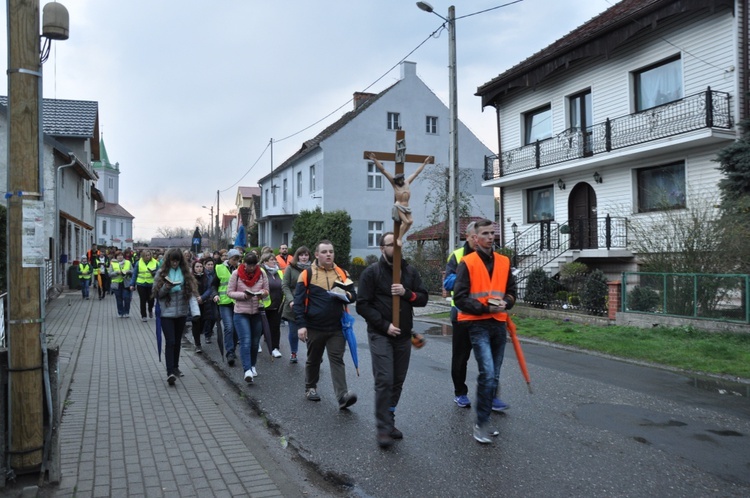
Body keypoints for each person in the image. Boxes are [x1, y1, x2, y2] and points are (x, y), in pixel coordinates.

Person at [356, 232, 429, 448]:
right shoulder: (372, 273)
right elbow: (362, 305)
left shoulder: (409, 271)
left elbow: (423, 298)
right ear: (381, 248)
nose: (396, 249)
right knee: (385, 379)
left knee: (397, 381)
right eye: (391, 245)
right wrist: (385, 325)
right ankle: (382, 428)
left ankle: (390, 420)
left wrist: (406, 293)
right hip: (381, 334)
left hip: (403, 336)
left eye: (398, 246)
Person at [453, 219, 517, 444]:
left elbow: (511, 291)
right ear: (476, 238)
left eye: (493, 233)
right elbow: (459, 298)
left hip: (498, 323)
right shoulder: (467, 263)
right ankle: (481, 424)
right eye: (486, 234)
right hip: (477, 324)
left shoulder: (504, 261)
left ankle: (485, 420)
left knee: (494, 375)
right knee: (487, 373)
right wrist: (483, 307)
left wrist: (506, 303)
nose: (491, 237)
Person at [443, 221, 510, 410]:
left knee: (490, 361)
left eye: (489, 234)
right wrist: (469, 273)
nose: (478, 239)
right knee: (461, 357)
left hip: (488, 315)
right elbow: (448, 283)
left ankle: (492, 395)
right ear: (470, 237)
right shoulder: (457, 256)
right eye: (474, 236)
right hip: (463, 314)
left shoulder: (493, 258)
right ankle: (460, 393)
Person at [294, 240, 358, 408]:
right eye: (324, 252)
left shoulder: (342, 273)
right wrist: (301, 325)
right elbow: (298, 302)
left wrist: (345, 295)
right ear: (316, 255)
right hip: (314, 326)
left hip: (337, 327)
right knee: (314, 359)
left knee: (337, 359)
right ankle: (310, 388)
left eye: (331, 251)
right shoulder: (307, 274)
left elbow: (353, 295)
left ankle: (342, 396)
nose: (328, 254)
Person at [153, 248, 199, 386]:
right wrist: (166, 287)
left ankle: (175, 367)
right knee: (171, 341)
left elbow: (191, 294)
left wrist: (195, 312)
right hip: (166, 313)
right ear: (168, 260)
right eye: (172, 260)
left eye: (177, 260)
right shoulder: (161, 273)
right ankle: (170, 372)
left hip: (181, 313)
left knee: (177, 341)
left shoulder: (186, 274)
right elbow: (156, 294)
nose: (174, 263)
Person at [368, 152, 432, 247]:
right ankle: (399, 238)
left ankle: (400, 236)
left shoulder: (407, 182)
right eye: (399, 180)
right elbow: (383, 171)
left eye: (401, 179)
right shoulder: (394, 185)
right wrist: (375, 160)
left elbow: (416, 173)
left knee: (410, 222)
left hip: (407, 206)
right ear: (396, 180)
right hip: (399, 205)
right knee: (406, 222)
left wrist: (424, 163)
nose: (401, 181)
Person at [227, 253, 269, 384]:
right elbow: (230, 293)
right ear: (244, 263)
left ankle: (252, 365)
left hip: (257, 311)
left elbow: (267, 290)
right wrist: (244, 296)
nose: (251, 268)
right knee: (245, 341)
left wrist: (262, 293)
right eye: (248, 265)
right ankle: (247, 370)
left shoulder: (262, 273)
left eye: (253, 265)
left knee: (255, 342)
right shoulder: (236, 274)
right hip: (241, 312)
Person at [281, 246, 311, 364]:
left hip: (309, 304)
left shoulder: (313, 269)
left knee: (310, 331)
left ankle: (313, 353)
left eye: (306, 255)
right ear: (297, 256)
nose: (304, 257)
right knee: (293, 332)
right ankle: (294, 352)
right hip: (293, 305)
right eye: (301, 255)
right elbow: (285, 285)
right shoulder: (290, 268)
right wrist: (291, 300)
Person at [213, 248, 242, 365]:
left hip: (237, 302)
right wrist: (215, 294)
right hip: (224, 302)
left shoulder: (241, 269)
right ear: (229, 258)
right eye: (234, 259)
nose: (236, 261)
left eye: (238, 259)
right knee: (229, 327)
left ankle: (233, 349)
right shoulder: (219, 268)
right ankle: (229, 352)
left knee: (235, 328)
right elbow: (213, 285)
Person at [259, 252, 284, 358]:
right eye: (271, 260)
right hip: (265, 305)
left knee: (275, 327)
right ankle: (255, 343)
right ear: (265, 262)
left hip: (277, 304)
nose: (274, 261)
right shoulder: (261, 272)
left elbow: (283, 285)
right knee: (261, 327)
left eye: (275, 260)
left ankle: (275, 348)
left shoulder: (279, 272)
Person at [129, 249, 159, 322]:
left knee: (151, 300)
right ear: (142, 256)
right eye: (146, 255)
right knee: (143, 300)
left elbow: (159, 273)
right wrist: (132, 284)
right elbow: (134, 274)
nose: (147, 257)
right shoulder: (138, 263)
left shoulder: (155, 262)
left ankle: (150, 310)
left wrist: (155, 274)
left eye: (149, 255)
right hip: (141, 284)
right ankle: (143, 315)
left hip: (151, 284)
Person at [109, 251, 133, 318]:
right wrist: (117, 272)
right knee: (119, 299)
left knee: (126, 298)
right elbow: (110, 274)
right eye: (118, 256)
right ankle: (120, 312)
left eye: (121, 255)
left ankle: (126, 312)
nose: (120, 257)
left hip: (126, 283)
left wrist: (128, 271)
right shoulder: (113, 263)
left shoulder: (128, 262)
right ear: (116, 257)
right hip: (117, 284)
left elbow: (133, 271)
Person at [200, 257, 217, 343]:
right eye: (208, 265)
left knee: (214, 317)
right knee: (207, 318)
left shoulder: (215, 273)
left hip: (214, 298)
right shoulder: (203, 275)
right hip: (206, 298)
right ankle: (207, 335)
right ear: (205, 265)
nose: (210, 266)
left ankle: (209, 331)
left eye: (211, 264)